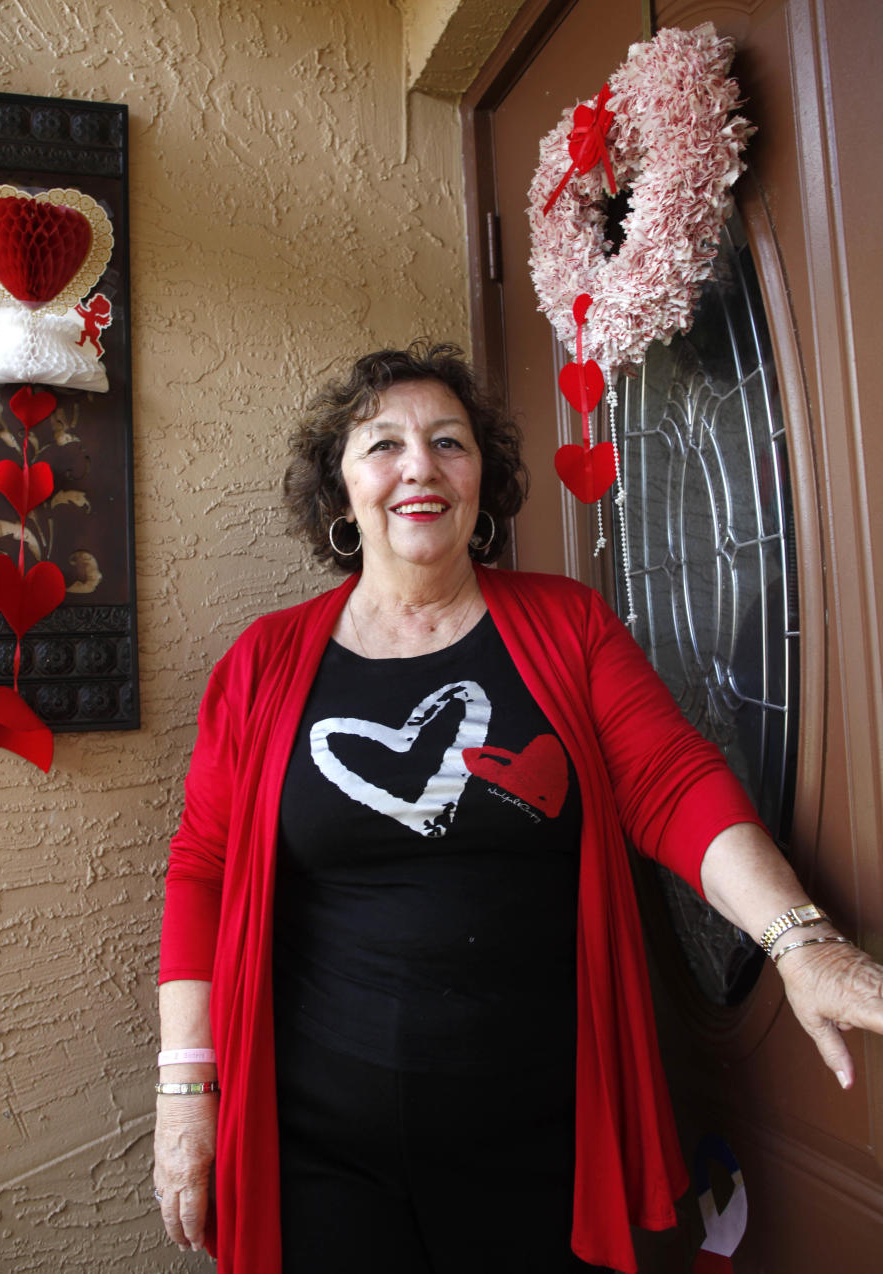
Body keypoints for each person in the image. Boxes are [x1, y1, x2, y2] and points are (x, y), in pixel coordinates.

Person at [154, 342, 883, 1274]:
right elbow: (204, 868)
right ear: (341, 492)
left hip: (539, 1135)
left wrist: (800, 940)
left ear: (482, 482)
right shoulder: (262, 663)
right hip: (319, 1149)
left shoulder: (567, 626)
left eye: (449, 443)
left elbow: (670, 781)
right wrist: (188, 1092)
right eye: (383, 445)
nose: (420, 465)